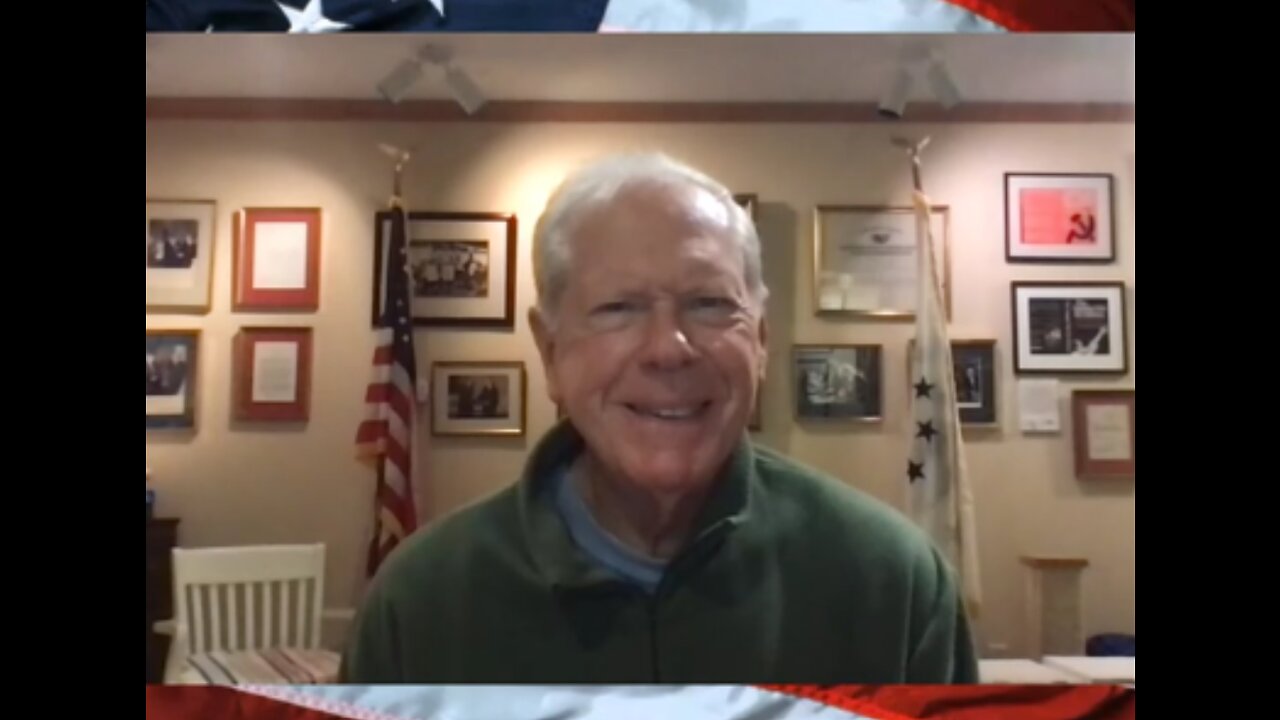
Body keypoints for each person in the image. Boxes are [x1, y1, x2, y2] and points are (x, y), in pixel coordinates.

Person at [340, 151, 979, 683]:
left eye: (708, 304)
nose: (668, 348)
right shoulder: (420, 602)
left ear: (760, 339)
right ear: (550, 350)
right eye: (618, 307)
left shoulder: (893, 587)